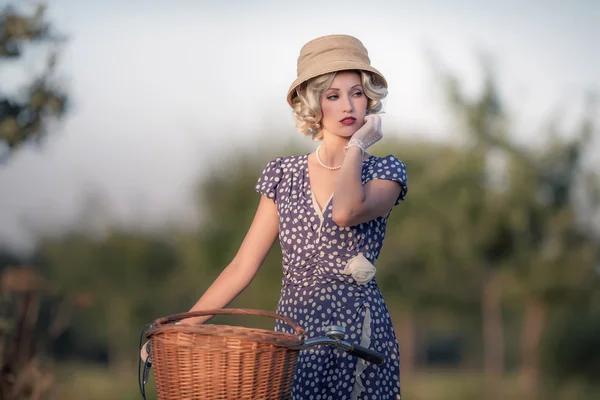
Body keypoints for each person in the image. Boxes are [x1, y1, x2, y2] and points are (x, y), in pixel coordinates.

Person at [142, 34, 407, 400]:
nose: (348, 105)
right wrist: (179, 331)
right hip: (295, 338)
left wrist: (358, 146)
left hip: (358, 339)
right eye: (333, 95)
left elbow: (345, 211)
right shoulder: (283, 175)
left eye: (357, 93)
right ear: (314, 105)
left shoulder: (384, 172)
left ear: (369, 99)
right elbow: (242, 267)